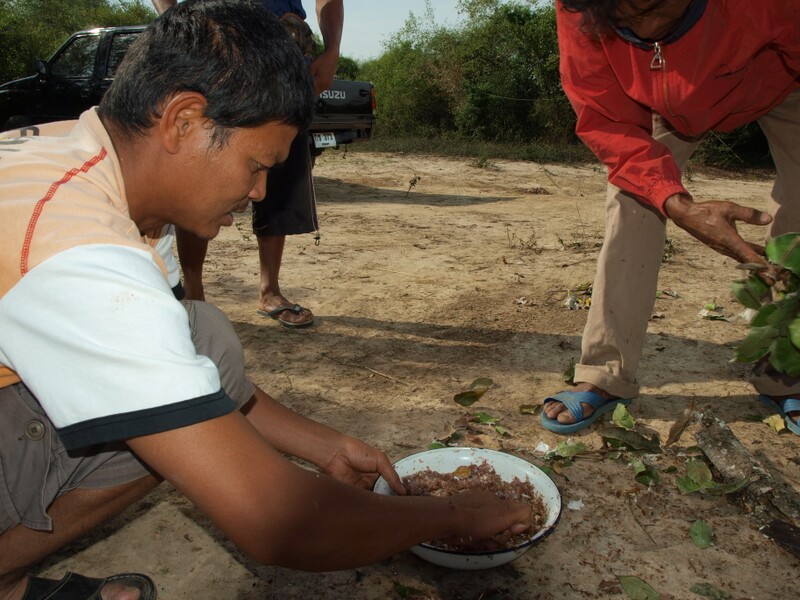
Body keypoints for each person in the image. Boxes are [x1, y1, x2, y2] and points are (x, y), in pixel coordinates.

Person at [0, 3, 532, 599]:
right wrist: (454, 517)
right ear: (184, 120)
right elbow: (280, 525)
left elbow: (189, 368)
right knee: (189, 428)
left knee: (202, 337)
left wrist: (322, 443)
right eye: (257, 165)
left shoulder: (90, 163)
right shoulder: (82, 249)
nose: (258, 193)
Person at [542, 0, 800, 435]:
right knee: (634, 200)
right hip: (659, 100)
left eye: (657, 7)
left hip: (781, 82)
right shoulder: (580, 5)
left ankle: (787, 369)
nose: (647, 29)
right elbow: (607, 120)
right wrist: (678, 204)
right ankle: (605, 373)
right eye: (626, 17)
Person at [153, 0, 344, 329]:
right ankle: (194, 293)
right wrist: (181, 28)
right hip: (215, 52)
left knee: (276, 175)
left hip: (285, 55)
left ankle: (270, 290)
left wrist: (332, 52)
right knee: (200, 176)